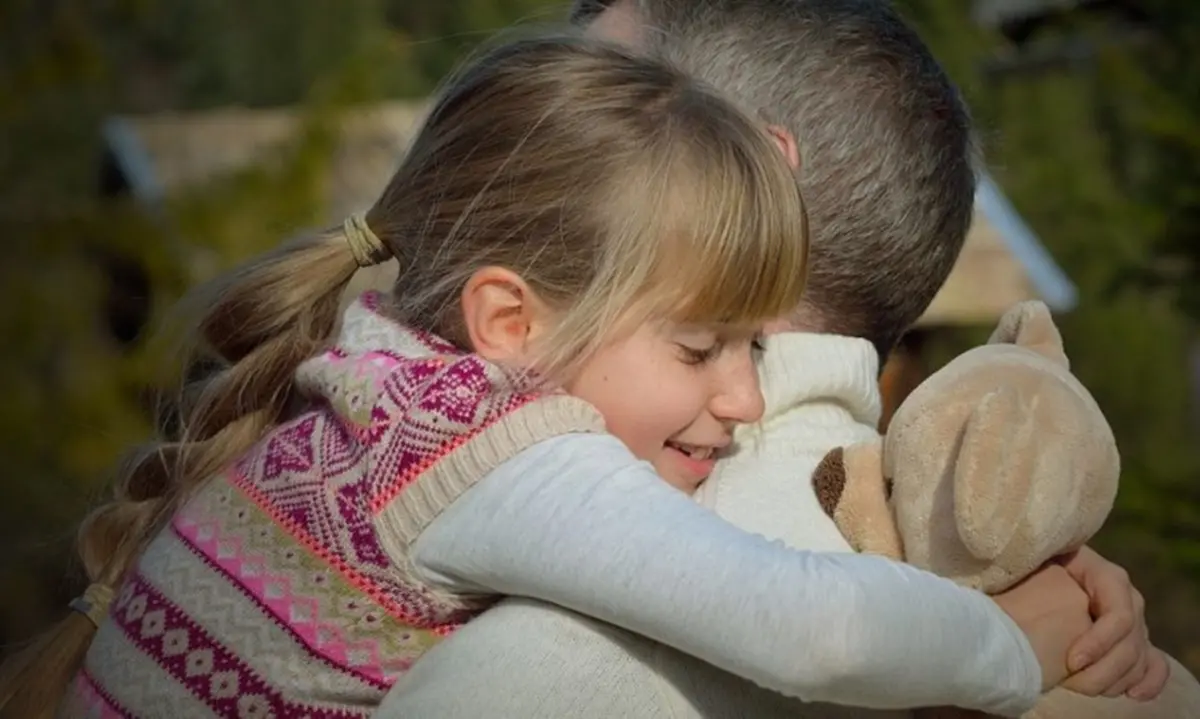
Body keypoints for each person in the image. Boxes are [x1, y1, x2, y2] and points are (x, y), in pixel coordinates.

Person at [0, 34, 1088, 719]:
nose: (747, 399)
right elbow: (818, 630)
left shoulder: (376, 365)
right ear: (510, 319)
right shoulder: (500, 455)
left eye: (755, 349)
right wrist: (1008, 653)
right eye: (701, 348)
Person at [375, 1, 1169, 717]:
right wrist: (1010, 610)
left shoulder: (550, 660)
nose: (499, 174)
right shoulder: (1056, 628)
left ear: (751, 165)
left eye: (587, 104)